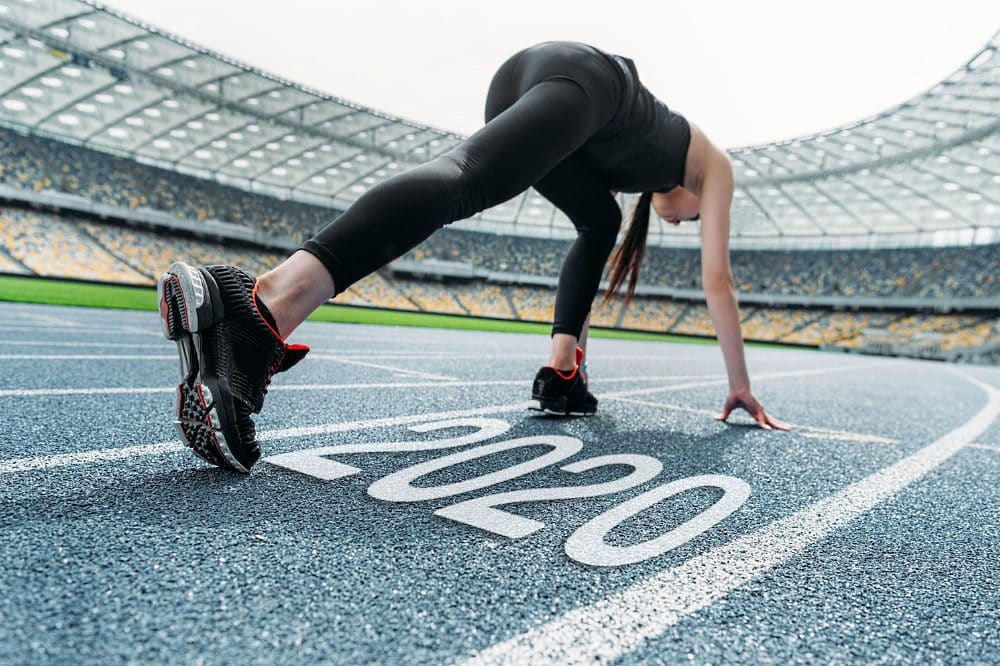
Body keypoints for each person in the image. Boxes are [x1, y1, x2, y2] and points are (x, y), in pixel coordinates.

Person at [158, 41, 788, 474]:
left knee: (598, 221)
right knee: (463, 179)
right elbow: (718, 280)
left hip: (539, 76)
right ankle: (262, 305)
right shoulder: (713, 165)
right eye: (694, 218)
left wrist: (574, 361)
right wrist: (739, 385)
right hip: (588, 81)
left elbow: (595, 245)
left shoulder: (636, 164)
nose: (687, 219)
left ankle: (562, 373)